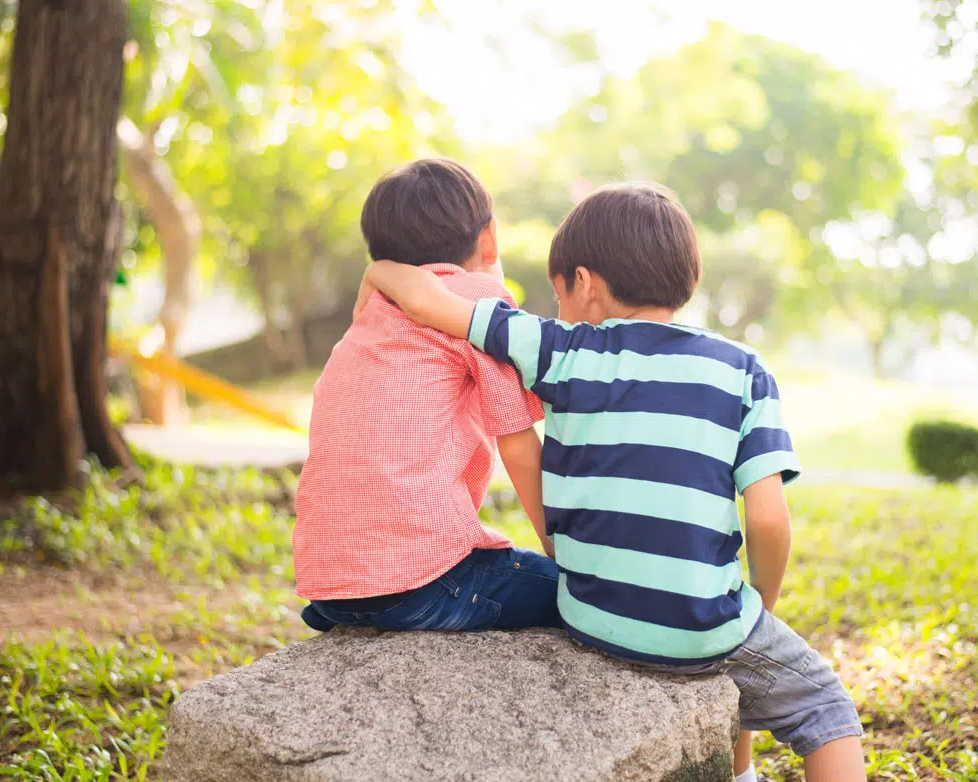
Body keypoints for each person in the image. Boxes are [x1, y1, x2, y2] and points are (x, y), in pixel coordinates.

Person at [356, 182, 866, 782]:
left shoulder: (559, 350)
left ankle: (740, 767)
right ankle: (744, 767)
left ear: (586, 283)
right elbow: (769, 521)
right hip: (704, 629)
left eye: (558, 293)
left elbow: (426, 302)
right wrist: (760, 609)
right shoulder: (744, 372)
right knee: (825, 709)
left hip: (589, 617)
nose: (558, 308)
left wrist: (381, 266)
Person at [292, 158, 560, 635]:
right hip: (423, 585)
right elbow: (517, 445)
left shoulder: (372, 313)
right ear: (489, 236)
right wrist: (561, 552)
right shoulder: (476, 302)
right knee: (573, 593)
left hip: (330, 589)